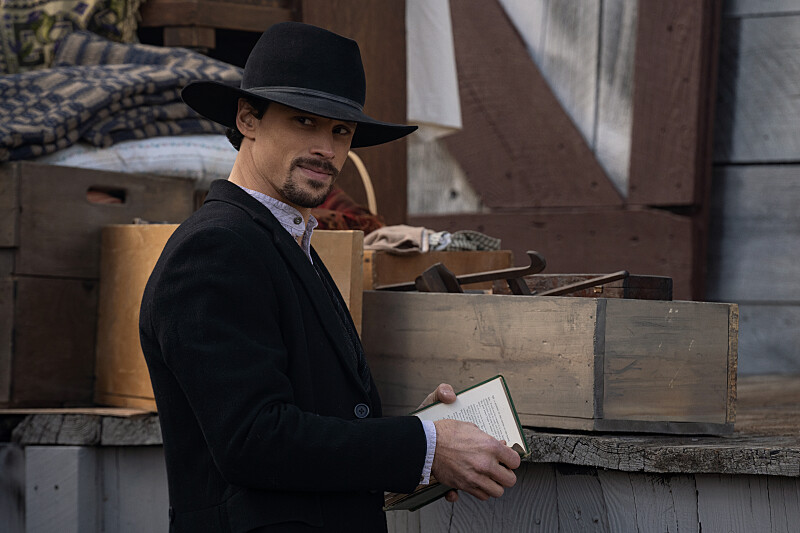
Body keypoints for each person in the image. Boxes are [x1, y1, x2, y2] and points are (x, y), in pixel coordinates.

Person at [139, 21, 520, 533]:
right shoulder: (215, 248)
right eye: (304, 122)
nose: (327, 147)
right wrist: (425, 446)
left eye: (341, 131)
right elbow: (252, 441)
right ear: (248, 119)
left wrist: (424, 437)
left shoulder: (286, 239)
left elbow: (315, 416)